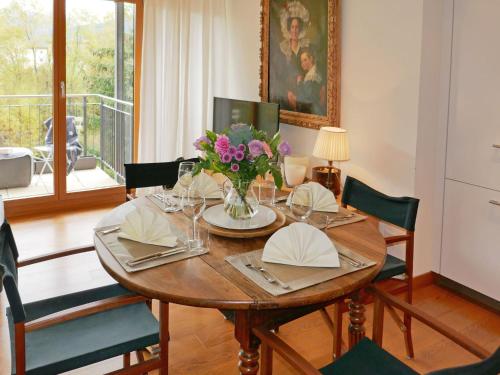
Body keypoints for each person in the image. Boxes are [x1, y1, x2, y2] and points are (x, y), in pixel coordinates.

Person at [291, 50, 325, 115]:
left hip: (314, 111)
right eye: (301, 61)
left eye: (305, 60)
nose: (303, 63)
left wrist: (295, 98)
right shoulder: (313, 72)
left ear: (311, 59)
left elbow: (308, 98)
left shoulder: (312, 76)